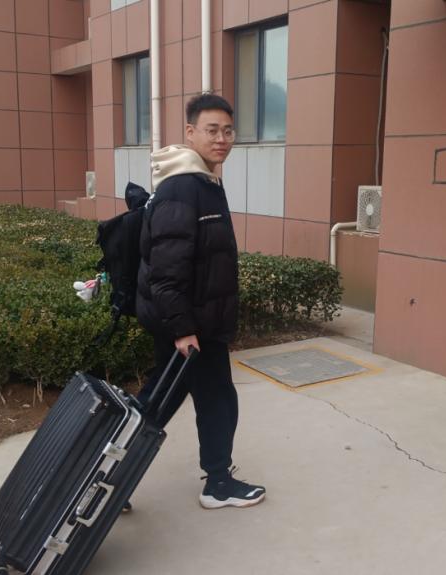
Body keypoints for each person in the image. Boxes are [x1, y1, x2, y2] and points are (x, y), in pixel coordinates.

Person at [134, 93, 265, 510]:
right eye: (212, 130)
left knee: (160, 402)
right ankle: (218, 484)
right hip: (192, 327)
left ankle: (103, 478)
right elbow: (166, 270)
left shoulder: (202, 182)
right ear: (190, 132)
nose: (222, 139)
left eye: (228, 131)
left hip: (193, 322)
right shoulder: (183, 188)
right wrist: (183, 330)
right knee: (216, 401)